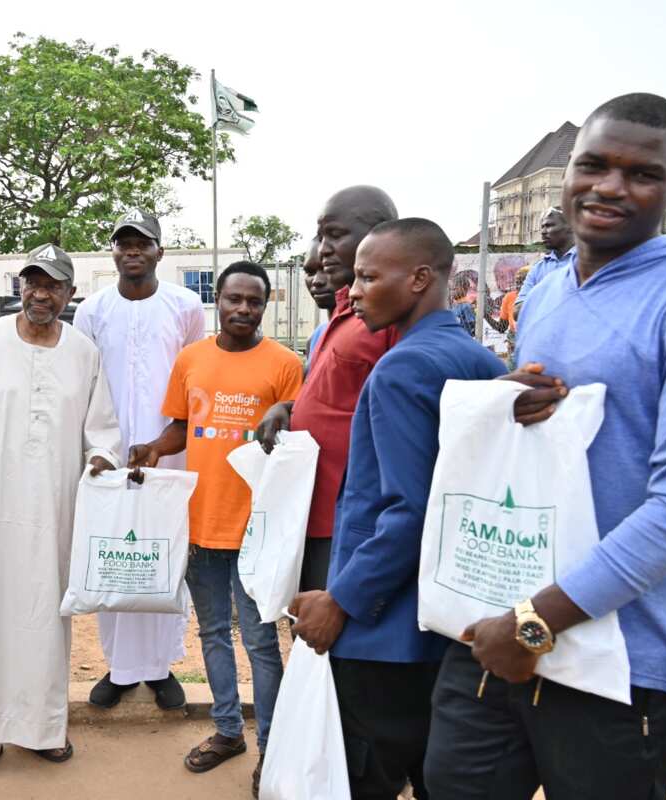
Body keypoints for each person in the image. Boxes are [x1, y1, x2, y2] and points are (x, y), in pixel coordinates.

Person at [425, 93, 666, 800]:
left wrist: (535, 623)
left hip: (624, 652)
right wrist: (511, 399)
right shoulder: (549, 286)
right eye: (592, 165)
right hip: (504, 619)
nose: (610, 187)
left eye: (641, 174)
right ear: (567, 173)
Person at [290, 219, 506, 800]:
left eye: (366, 277)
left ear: (418, 278)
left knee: (367, 776)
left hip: (383, 634)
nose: (352, 291)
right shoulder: (473, 356)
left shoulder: (400, 369)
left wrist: (343, 599)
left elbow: (408, 509)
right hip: (447, 624)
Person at [0, 243, 121, 790]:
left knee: (43, 621)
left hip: (54, 514)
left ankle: (40, 725)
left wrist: (104, 459)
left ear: (68, 293)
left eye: (53, 284)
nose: (41, 293)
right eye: (32, 282)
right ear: (19, 288)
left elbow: (101, 428)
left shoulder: (84, 352)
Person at [129, 261, 303, 798]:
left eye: (254, 301)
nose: (243, 309)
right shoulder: (192, 358)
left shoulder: (284, 364)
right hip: (200, 522)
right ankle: (229, 730)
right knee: (210, 633)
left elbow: (296, 433)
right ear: (218, 302)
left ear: (266, 305)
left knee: (259, 642)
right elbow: (183, 424)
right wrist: (155, 448)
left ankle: (271, 744)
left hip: (256, 528)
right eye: (234, 299)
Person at [74, 208, 203, 711]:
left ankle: (162, 665)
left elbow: (196, 379)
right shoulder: (93, 310)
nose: (132, 250)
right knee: (114, 551)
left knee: (164, 549)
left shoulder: (187, 305)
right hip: (108, 450)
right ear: (113, 251)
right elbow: (83, 378)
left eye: (141, 242)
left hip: (170, 449)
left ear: (159, 252)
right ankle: (122, 667)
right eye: (123, 242)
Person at [256, 186, 399, 597]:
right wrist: (289, 407)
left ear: (378, 234)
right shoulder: (338, 319)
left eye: (335, 235)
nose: (323, 250)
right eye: (321, 237)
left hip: (354, 520)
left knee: (338, 645)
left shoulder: (385, 318)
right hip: (311, 508)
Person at [513, 207, 576, 315]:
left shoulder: (589, 263)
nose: (543, 232)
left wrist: (537, 298)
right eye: (542, 227)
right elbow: (518, 311)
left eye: (549, 225)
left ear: (570, 226)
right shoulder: (538, 268)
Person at [301, 237, 336, 371]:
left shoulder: (372, 335)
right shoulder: (316, 337)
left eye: (327, 269)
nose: (316, 281)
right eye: (310, 272)